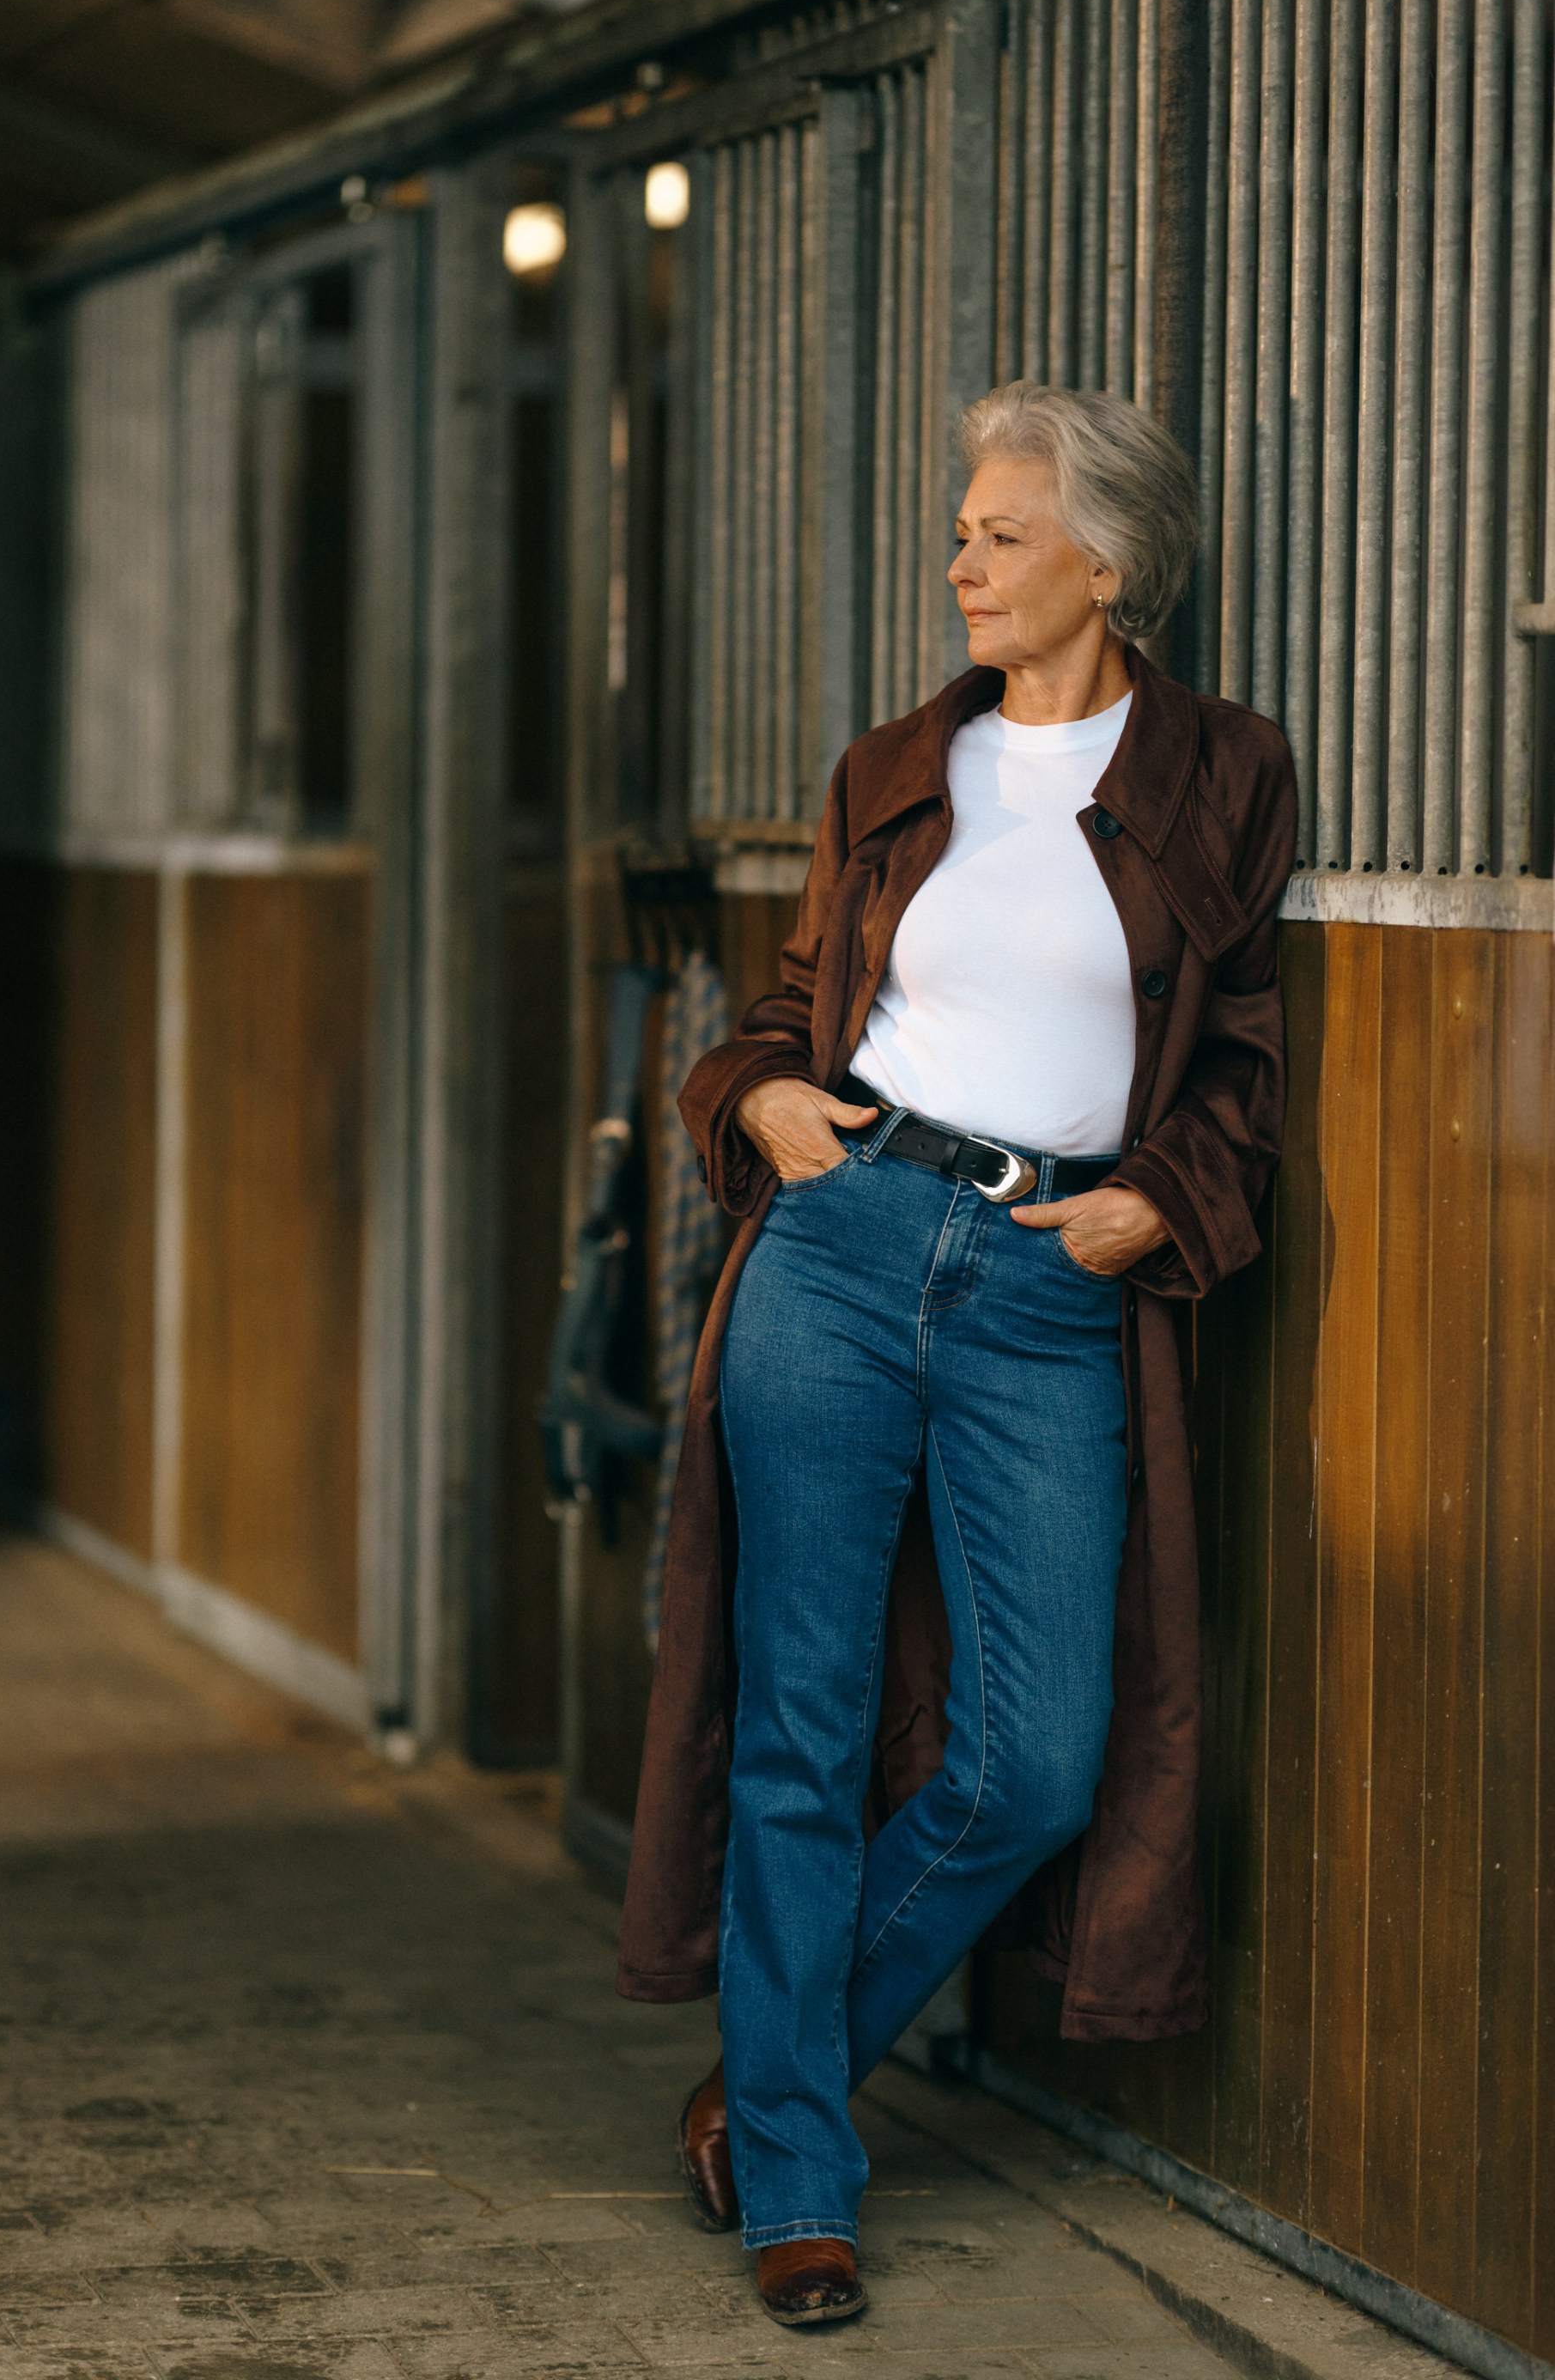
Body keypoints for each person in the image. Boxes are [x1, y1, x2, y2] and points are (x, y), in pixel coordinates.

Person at [616, 380, 1299, 2327]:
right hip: (841, 1241)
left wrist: (1158, 1197)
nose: (961, 563)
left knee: (1032, 1756)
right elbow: (789, 997)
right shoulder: (894, 761)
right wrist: (756, 1102)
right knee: (801, 1728)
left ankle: (771, 2085)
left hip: (1042, 1280)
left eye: (998, 533)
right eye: (962, 530)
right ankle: (799, 2189)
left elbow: (1242, 1048)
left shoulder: (1221, 770)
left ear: (1106, 556)